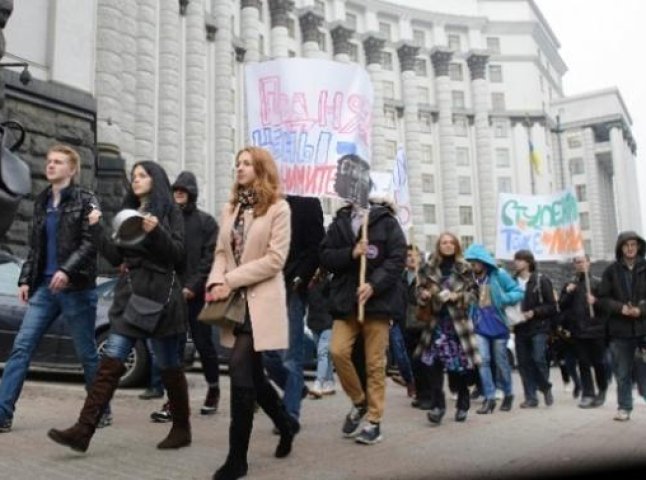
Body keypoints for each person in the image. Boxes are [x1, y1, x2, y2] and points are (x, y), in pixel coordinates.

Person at [47, 161, 190, 452]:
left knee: (168, 365)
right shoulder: (128, 212)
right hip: (131, 295)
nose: (135, 180)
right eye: (133, 176)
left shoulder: (170, 211)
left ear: (156, 179)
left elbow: (176, 255)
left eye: (142, 175)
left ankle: (181, 428)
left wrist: (156, 231)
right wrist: (97, 228)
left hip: (160, 297)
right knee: (111, 361)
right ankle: (83, 430)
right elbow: (115, 256)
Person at [0, 145, 107, 433]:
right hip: (44, 290)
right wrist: (25, 279)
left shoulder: (87, 200)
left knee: (86, 353)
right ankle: (3, 414)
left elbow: (90, 242)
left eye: (58, 162)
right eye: (48, 161)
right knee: (21, 348)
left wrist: (66, 270)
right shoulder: (42, 200)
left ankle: (101, 408)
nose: (50, 165)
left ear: (72, 169)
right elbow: (35, 246)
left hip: (76, 290)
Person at [207, 147, 298, 480]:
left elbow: (276, 259)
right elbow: (220, 252)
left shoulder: (278, 208)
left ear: (261, 169)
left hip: (260, 300)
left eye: (246, 163)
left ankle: (237, 459)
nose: (239, 168)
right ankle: (286, 424)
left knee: (239, 368)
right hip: (233, 303)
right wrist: (217, 280)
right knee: (255, 378)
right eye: (237, 163)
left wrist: (229, 280)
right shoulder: (231, 208)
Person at [321, 197, 406, 445]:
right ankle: (359, 402)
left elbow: (397, 257)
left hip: (377, 305)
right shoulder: (339, 221)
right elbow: (325, 256)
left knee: (374, 364)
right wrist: (351, 252)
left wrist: (374, 285)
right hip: (347, 303)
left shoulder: (385, 221)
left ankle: (374, 420)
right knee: (337, 351)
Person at [148, 171, 220, 422]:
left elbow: (209, 259)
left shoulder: (206, 223)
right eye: (175, 190)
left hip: (196, 295)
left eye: (183, 190)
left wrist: (193, 286)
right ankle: (174, 401)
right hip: (170, 294)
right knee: (173, 350)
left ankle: (213, 388)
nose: (178, 194)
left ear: (191, 193)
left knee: (203, 344)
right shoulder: (164, 221)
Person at [263, 195, 324, 422]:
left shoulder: (307, 202)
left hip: (293, 289)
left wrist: (301, 277)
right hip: (267, 287)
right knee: (268, 358)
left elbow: (317, 246)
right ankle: (297, 389)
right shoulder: (263, 203)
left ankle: (290, 415)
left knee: (291, 356)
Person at [416, 233, 480, 425]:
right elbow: (418, 291)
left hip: (457, 325)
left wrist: (454, 296)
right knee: (432, 364)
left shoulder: (465, 267)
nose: (448, 245)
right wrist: (424, 295)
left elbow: (474, 294)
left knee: (457, 368)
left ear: (457, 246)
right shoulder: (428, 267)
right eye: (444, 242)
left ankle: (462, 400)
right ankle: (438, 406)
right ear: (438, 246)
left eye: (452, 242)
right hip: (435, 324)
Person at [464, 244, 524, 413]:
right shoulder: (470, 279)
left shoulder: (499, 275)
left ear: (483, 262)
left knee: (501, 363)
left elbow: (518, 292)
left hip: (498, 326)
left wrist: (504, 298)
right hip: (479, 327)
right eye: (470, 262)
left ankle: (508, 394)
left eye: (475, 262)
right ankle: (489, 398)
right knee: (483, 362)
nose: (473, 265)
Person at [597, 231, 646, 421]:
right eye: (626, 245)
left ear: (639, 246)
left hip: (643, 327)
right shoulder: (611, 271)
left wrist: (641, 310)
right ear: (620, 248)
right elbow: (602, 299)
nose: (630, 248)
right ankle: (624, 407)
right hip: (620, 330)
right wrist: (621, 308)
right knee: (622, 372)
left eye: (633, 244)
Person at [558, 255, 607, 408]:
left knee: (599, 363)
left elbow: (608, 306)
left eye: (583, 261)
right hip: (578, 331)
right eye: (577, 262)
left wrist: (596, 302)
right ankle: (588, 394)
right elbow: (561, 305)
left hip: (596, 330)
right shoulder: (570, 285)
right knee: (583, 363)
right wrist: (567, 292)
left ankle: (602, 390)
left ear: (589, 262)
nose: (580, 264)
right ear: (574, 265)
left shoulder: (598, 283)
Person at [513, 249, 557, 409]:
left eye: (519, 259)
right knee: (524, 363)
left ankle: (545, 386)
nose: (516, 263)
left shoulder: (541, 280)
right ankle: (531, 397)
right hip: (520, 327)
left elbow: (552, 306)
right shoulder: (512, 281)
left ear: (528, 262)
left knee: (538, 358)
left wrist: (534, 312)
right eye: (515, 260)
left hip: (539, 327)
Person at [306, 268, 336, 398]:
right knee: (325, 355)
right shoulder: (310, 283)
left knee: (322, 353)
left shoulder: (330, 281)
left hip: (327, 323)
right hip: (314, 322)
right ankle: (329, 382)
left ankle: (318, 384)